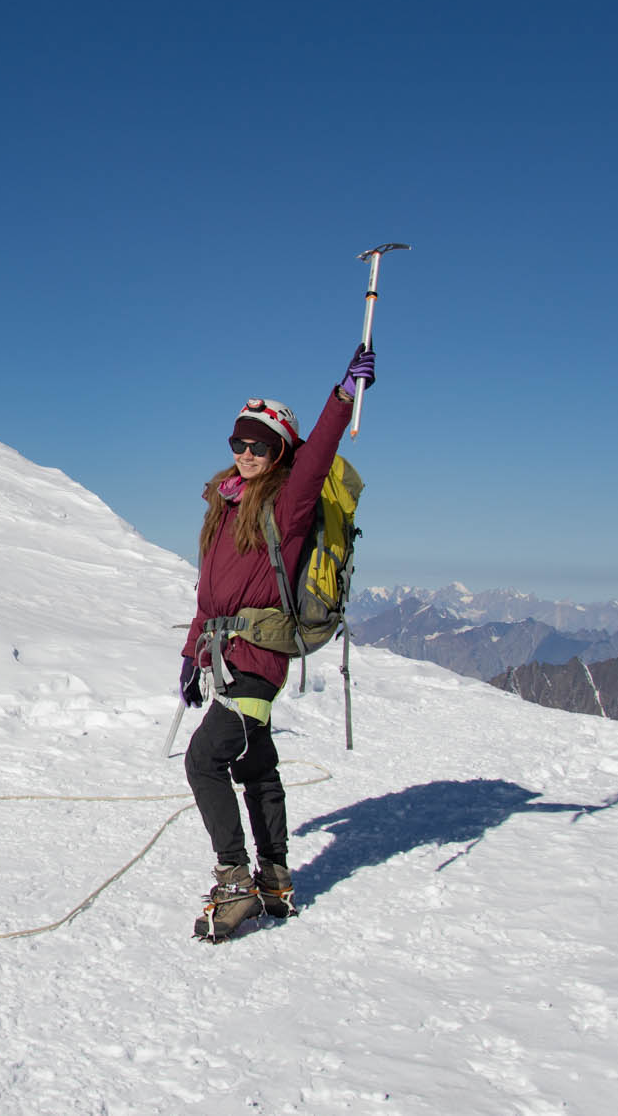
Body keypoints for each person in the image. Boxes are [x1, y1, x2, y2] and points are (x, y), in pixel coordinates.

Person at [180, 345, 374, 941]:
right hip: (224, 655)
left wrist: (341, 398)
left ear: (279, 450)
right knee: (256, 764)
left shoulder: (288, 504)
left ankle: (235, 880)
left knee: (204, 760)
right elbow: (210, 596)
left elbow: (318, 458)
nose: (246, 454)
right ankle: (276, 879)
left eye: (260, 445)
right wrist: (191, 656)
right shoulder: (224, 504)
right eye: (239, 443)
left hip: (258, 660)